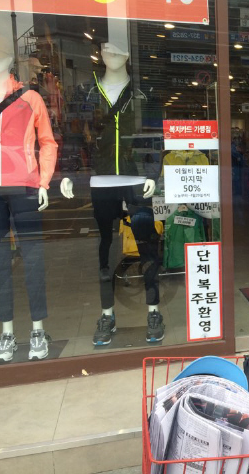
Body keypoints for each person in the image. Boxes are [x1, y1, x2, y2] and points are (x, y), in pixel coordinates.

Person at [60, 42, 163, 346]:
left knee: (146, 244)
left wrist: (152, 173)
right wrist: (67, 172)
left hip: (135, 179)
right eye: (105, 48)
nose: (110, 52)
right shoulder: (86, 93)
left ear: (128, 57)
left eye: (117, 49)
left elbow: (155, 135)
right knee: (105, 246)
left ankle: (154, 310)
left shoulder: (144, 94)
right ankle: (107, 314)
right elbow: (73, 133)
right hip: (100, 179)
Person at [0, 51, 58, 362]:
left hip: (25, 186)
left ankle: (37, 327)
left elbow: (47, 141)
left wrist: (44, 182)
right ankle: (6, 331)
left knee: (33, 259)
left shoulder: (30, 97)